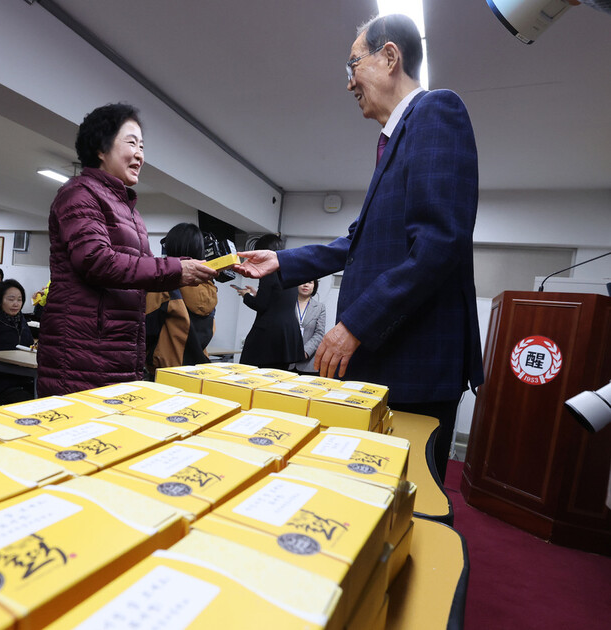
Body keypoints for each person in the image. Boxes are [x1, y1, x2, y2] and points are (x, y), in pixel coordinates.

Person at [235, 14, 482, 482]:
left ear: (390, 57)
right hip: (388, 359)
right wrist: (282, 260)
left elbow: (439, 243)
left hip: (414, 363)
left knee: (406, 500)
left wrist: (353, 324)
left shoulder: (436, 112)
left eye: (353, 64)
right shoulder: (392, 142)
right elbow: (357, 241)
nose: (349, 82)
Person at [36, 103, 217, 395]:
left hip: (118, 350)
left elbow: (141, 269)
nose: (139, 154)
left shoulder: (129, 210)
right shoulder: (79, 193)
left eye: (142, 146)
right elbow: (97, 261)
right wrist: (176, 268)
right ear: (100, 148)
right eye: (131, 142)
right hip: (83, 353)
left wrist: (187, 267)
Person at [146, 223, 218, 372]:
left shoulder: (165, 284)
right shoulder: (209, 285)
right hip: (198, 368)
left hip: (167, 369)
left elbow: (146, 328)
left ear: (171, 246)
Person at [237, 233, 305, 370]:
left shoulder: (269, 272)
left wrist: (246, 295)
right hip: (288, 333)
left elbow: (261, 305)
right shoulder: (290, 270)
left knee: (254, 375)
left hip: (269, 336)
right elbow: (279, 299)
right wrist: (257, 294)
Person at [0, 279, 36, 404]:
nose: (16, 304)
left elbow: (29, 344)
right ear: (0, 300)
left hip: (23, 378)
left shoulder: (21, 321)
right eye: (11, 299)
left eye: (19, 300)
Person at [290, 279, 327, 375]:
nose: (305, 285)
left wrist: (305, 351)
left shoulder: (320, 308)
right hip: (287, 358)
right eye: (302, 282)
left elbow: (319, 333)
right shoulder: (288, 304)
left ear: (314, 286)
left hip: (308, 363)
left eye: (310, 282)